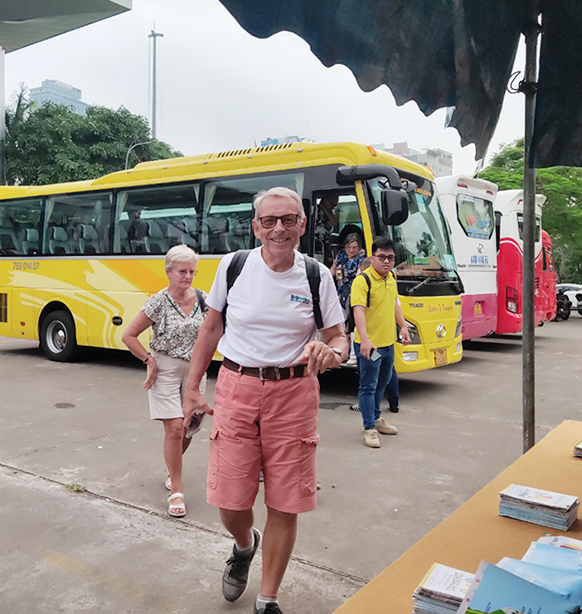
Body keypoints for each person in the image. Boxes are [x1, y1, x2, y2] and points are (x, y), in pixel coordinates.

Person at [182, 187, 347, 614]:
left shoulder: (317, 276)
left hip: (294, 395)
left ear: (302, 225)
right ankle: (243, 544)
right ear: (256, 226)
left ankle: (267, 598)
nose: (279, 228)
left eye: (288, 220)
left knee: (285, 501)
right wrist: (191, 388)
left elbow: (337, 336)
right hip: (237, 388)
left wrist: (335, 354)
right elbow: (211, 329)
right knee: (231, 500)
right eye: (270, 221)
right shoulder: (233, 267)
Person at [121, 245, 207, 518]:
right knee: (173, 429)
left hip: (195, 372)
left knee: (187, 430)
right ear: (168, 272)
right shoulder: (158, 301)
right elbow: (129, 336)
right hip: (166, 370)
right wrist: (150, 360)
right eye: (183, 271)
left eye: (192, 271)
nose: (188, 276)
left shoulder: (204, 300)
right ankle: (177, 491)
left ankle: (173, 470)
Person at [351, 237, 411, 448]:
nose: (386, 261)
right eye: (382, 257)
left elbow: (394, 304)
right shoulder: (363, 281)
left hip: (387, 344)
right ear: (372, 257)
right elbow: (358, 311)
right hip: (370, 346)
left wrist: (402, 326)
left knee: (382, 382)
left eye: (391, 258)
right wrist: (365, 340)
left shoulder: (391, 277)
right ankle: (369, 428)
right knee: (368, 385)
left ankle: (376, 418)